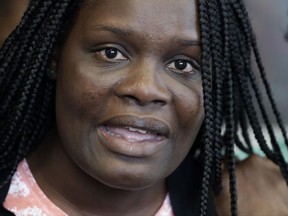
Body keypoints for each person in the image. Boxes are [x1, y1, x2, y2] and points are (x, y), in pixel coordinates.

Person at [0, 0, 287, 215]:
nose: (145, 89)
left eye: (183, 64)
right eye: (111, 52)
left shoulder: (241, 203)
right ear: (55, 57)